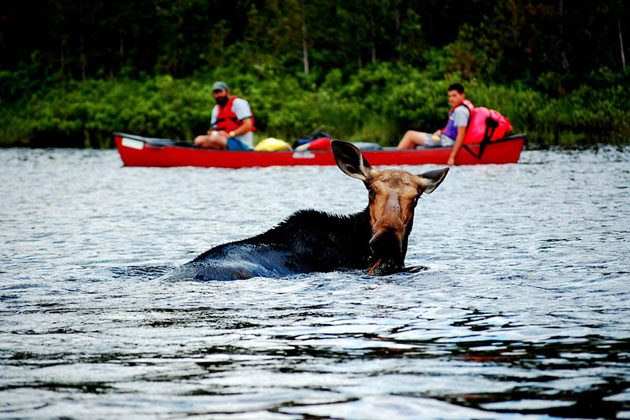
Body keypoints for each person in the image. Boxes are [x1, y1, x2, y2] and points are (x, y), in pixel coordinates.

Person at [397, 83, 472, 165]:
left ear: (462, 95)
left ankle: (394, 158)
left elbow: (461, 134)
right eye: (449, 96)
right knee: (411, 143)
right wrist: (441, 131)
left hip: (446, 141)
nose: (451, 99)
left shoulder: (460, 111)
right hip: (444, 138)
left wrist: (452, 157)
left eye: (454, 95)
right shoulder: (458, 109)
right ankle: (405, 161)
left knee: (410, 135)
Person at [194, 81, 255, 150]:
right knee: (198, 140)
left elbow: (248, 125)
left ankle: (221, 156)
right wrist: (212, 132)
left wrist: (230, 135)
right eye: (216, 93)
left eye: (220, 92)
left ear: (227, 92)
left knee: (215, 139)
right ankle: (218, 156)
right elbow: (214, 129)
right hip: (222, 140)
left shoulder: (238, 103)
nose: (219, 95)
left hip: (241, 143)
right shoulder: (216, 109)